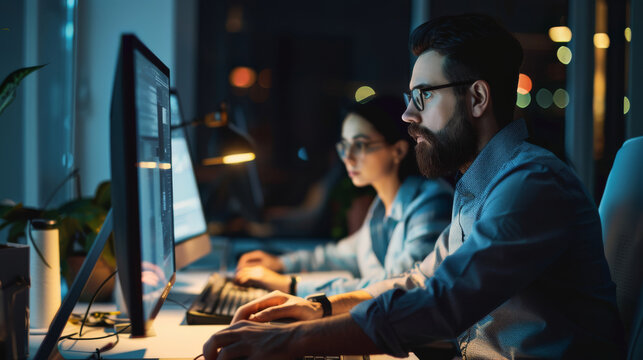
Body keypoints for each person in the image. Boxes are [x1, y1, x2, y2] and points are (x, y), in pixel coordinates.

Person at [203, 14, 626, 360]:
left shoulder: (532, 185)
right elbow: (421, 281)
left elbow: (444, 303)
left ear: (478, 99)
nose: (407, 115)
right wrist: (319, 308)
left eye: (422, 96)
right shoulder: (479, 187)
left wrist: (286, 342)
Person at [235, 95, 453, 297]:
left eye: (359, 145)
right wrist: (280, 264)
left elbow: (395, 286)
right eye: (345, 146)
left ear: (398, 151)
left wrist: (291, 285)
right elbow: (338, 254)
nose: (347, 157)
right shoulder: (382, 208)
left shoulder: (431, 203)